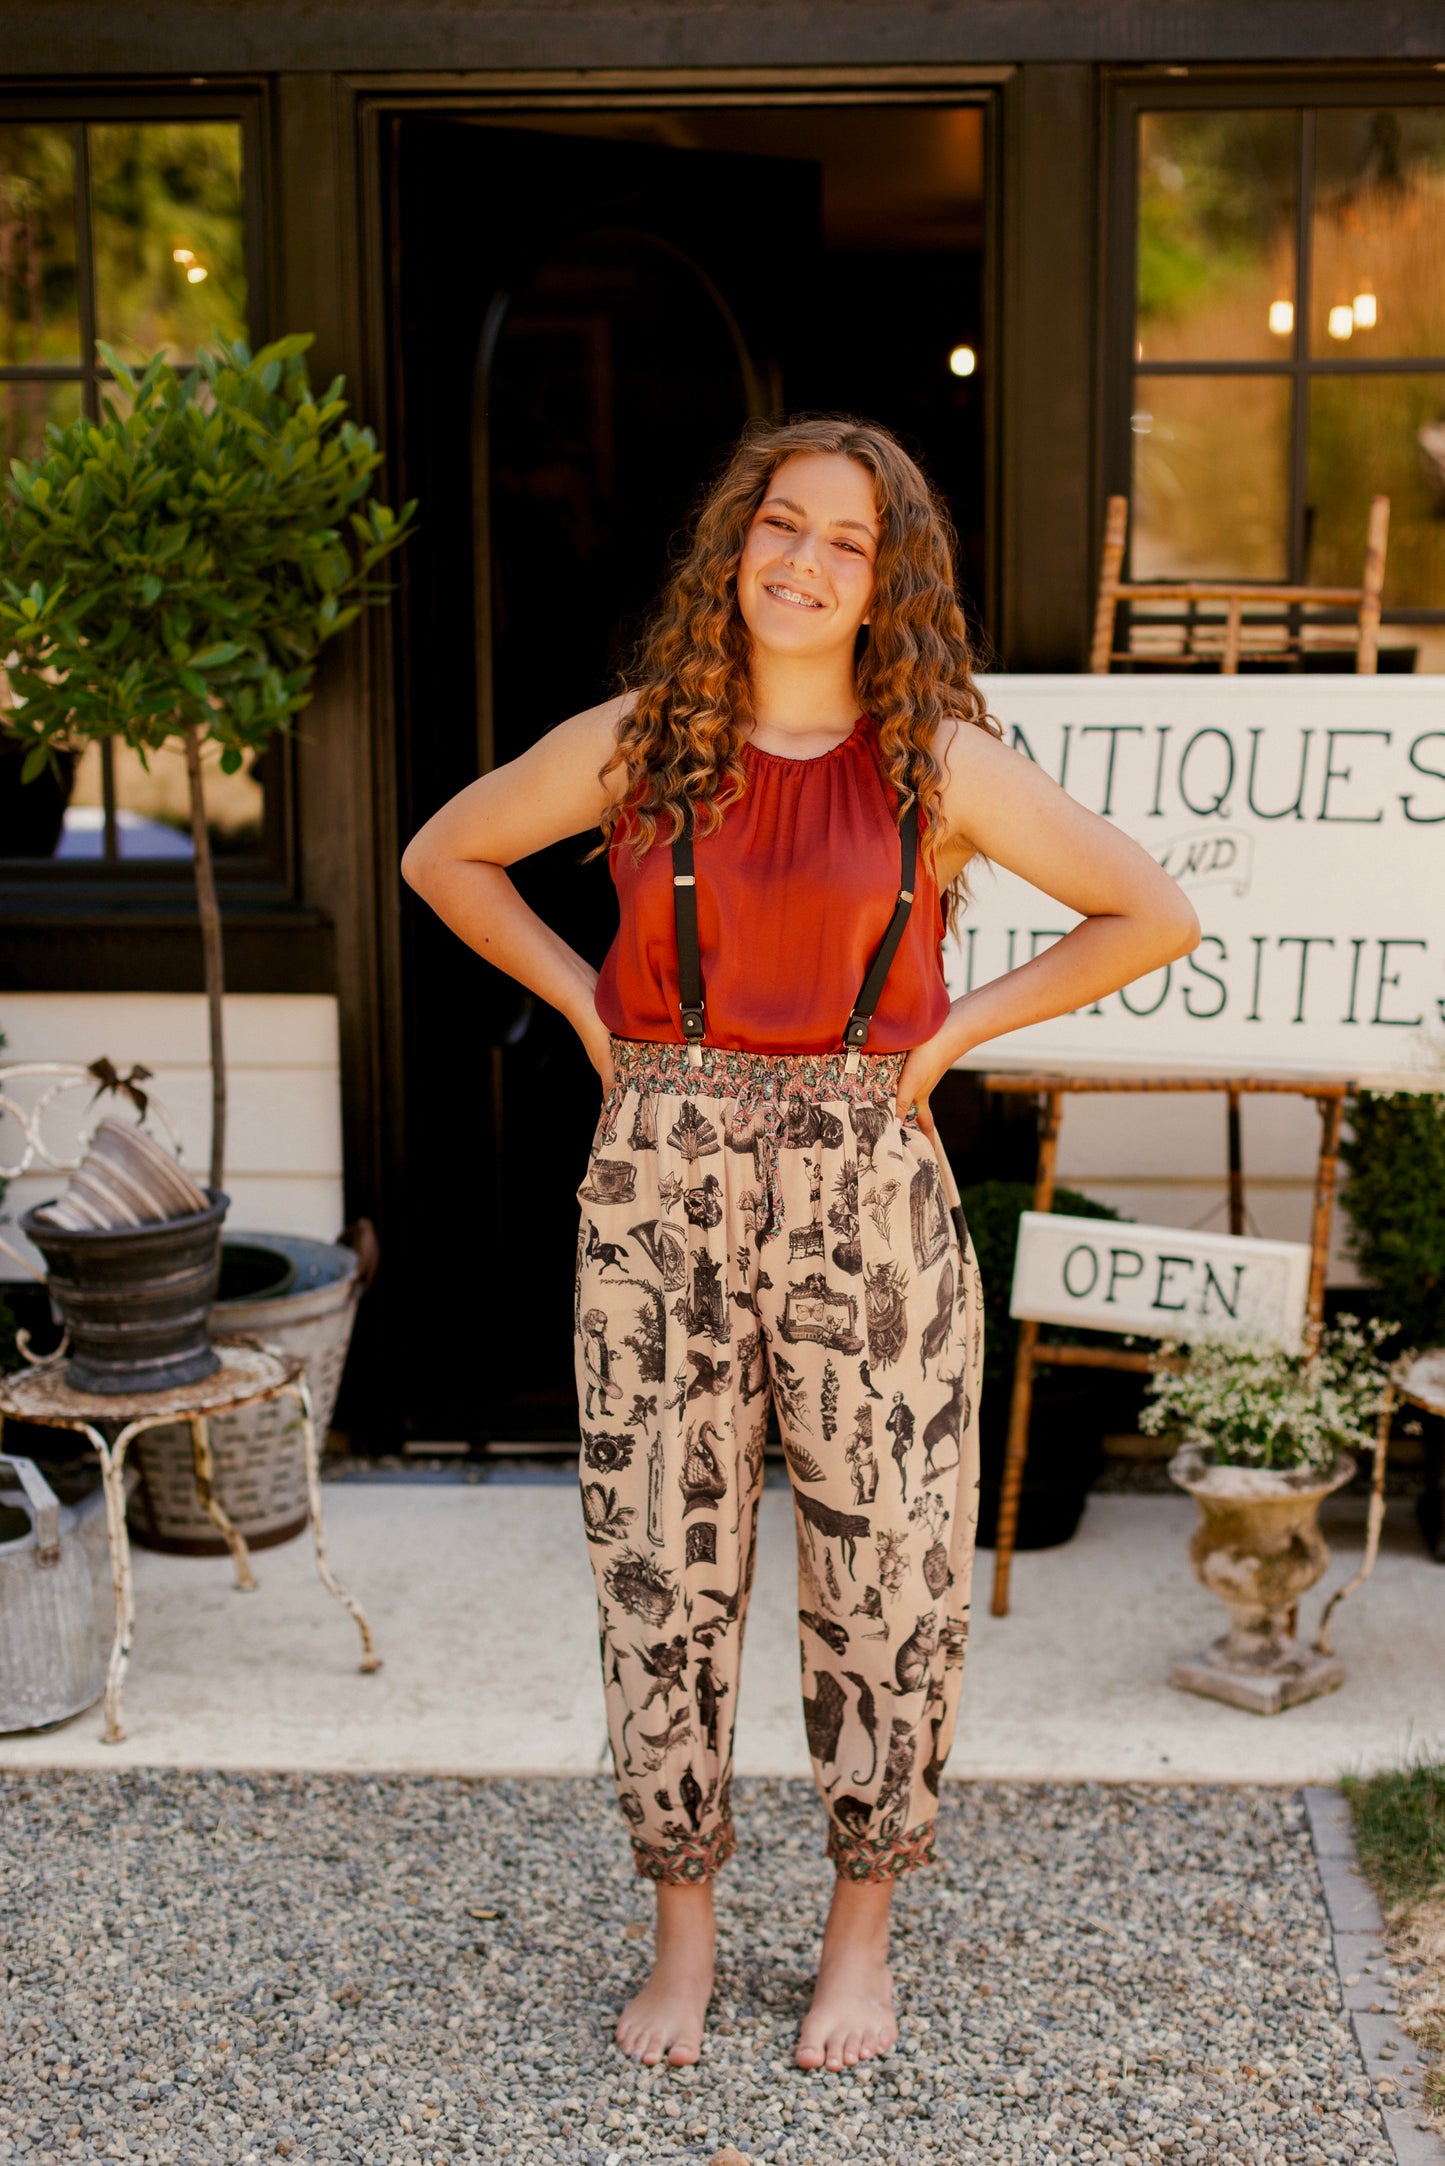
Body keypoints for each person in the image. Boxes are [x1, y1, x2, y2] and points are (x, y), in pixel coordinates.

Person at [402, 415, 1199, 2075]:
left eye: (848, 540)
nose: (804, 560)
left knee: (885, 1566)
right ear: (734, 541)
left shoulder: (937, 763)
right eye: (781, 523)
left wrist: (949, 1032)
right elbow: (443, 853)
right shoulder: (643, 739)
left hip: (864, 1182)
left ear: (886, 580)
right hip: (659, 1178)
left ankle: (858, 1935)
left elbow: (1149, 910)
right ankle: (682, 1931)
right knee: (657, 1557)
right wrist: (588, 1007)